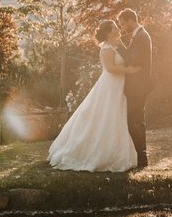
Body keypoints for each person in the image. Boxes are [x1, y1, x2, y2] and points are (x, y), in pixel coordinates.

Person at [48, 20, 139, 172]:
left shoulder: (115, 46)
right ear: (109, 32)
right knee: (106, 116)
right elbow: (110, 68)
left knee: (114, 116)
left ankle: (114, 151)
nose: (118, 28)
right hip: (109, 86)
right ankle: (95, 153)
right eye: (115, 27)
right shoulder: (106, 49)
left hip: (116, 87)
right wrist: (129, 70)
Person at [116, 9, 153, 168]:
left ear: (130, 20)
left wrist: (119, 46)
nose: (122, 27)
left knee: (133, 120)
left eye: (123, 23)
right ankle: (140, 156)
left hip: (137, 86)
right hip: (137, 85)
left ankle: (141, 157)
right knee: (137, 120)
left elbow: (134, 60)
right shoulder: (139, 35)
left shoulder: (142, 37)